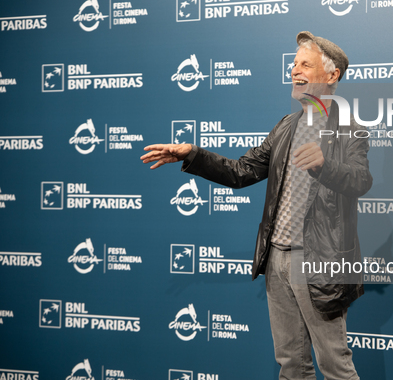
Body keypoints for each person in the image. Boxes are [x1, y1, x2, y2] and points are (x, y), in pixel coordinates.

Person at [141, 31, 372, 380]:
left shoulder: (351, 129)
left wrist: (324, 165)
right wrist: (194, 155)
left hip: (319, 263)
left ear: (332, 74)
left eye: (305, 64)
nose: (295, 70)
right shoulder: (286, 126)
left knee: (335, 364)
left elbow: (360, 181)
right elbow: (241, 172)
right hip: (276, 259)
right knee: (291, 364)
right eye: (294, 64)